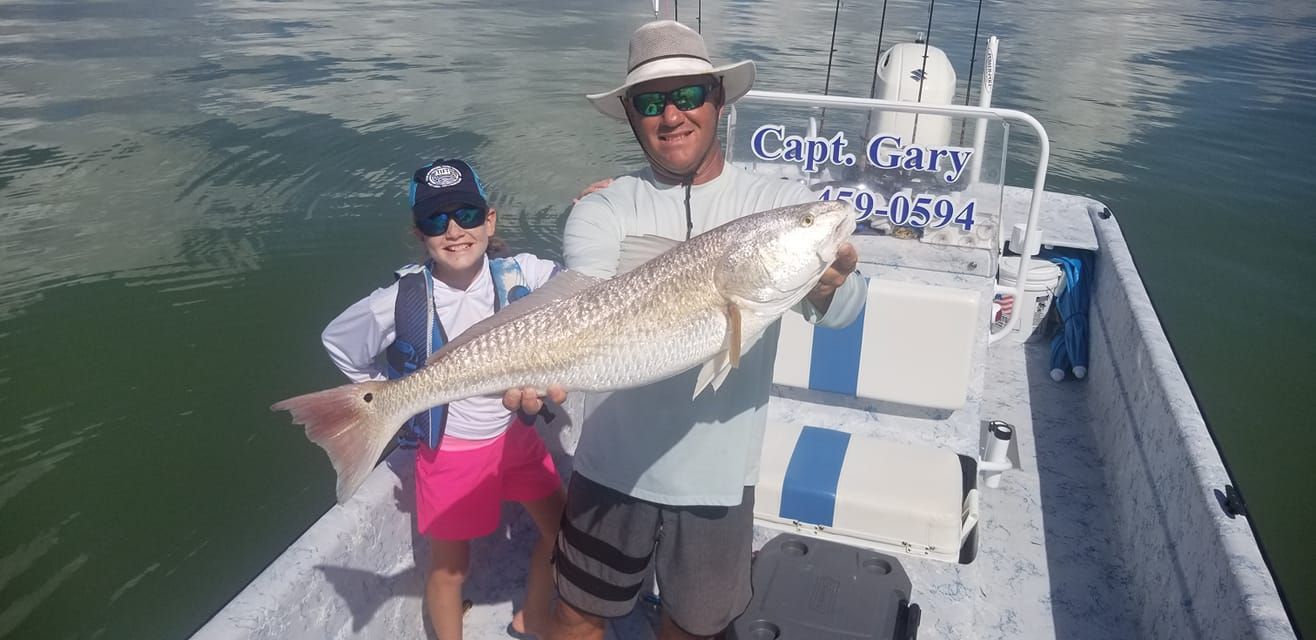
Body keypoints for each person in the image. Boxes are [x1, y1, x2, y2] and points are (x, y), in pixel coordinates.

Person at [509, 20, 866, 640]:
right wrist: (528, 360)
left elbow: (845, 309)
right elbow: (579, 295)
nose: (671, 115)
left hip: (718, 479)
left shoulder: (777, 200)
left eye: (689, 95)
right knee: (574, 616)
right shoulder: (604, 206)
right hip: (610, 466)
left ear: (718, 100)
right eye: (650, 102)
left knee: (693, 629)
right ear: (630, 115)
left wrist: (833, 283)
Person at [322, 158, 566, 640]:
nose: (454, 230)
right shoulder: (398, 299)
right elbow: (337, 341)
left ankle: (533, 615)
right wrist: (387, 397)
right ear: (419, 234)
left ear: (489, 220)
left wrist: (594, 206)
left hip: (515, 437)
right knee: (450, 570)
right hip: (449, 451)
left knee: (564, 534)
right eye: (436, 220)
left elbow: (588, 277)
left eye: (467, 215)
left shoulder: (525, 273)